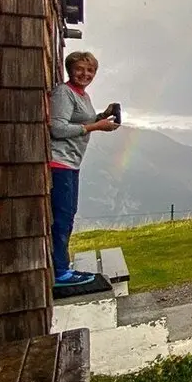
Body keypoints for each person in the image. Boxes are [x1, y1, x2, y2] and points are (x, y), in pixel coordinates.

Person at [49, 51, 120, 287]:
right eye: (80, 69)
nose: (85, 74)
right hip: (59, 162)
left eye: (90, 71)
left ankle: (61, 266)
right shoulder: (64, 93)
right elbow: (57, 129)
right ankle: (61, 272)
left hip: (70, 163)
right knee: (62, 217)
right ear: (70, 69)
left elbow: (78, 121)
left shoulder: (83, 95)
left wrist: (103, 115)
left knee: (67, 214)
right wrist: (96, 127)